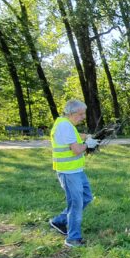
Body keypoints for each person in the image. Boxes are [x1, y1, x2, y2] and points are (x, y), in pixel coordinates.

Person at [49, 100, 98, 247]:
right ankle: (73, 238)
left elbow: (76, 135)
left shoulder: (66, 124)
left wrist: (88, 136)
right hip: (69, 172)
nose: (83, 117)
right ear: (71, 113)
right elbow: (76, 149)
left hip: (76, 170)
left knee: (86, 197)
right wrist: (88, 145)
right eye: (80, 114)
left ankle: (59, 221)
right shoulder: (64, 126)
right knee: (76, 203)